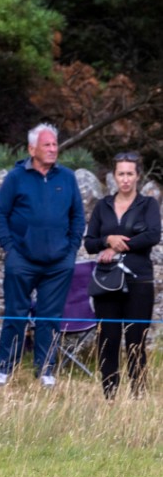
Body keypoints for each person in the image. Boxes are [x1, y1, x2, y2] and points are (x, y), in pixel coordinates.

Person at [0, 123, 84, 388]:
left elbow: (77, 216)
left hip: (58, 262)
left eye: (55, 144)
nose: (53, 149)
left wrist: (71, 249)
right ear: (32, 149)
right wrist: (10, 247)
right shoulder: (16, 177)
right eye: (47, 145)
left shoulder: (67, 178)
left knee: (49, 318)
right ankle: (5, 370)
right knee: (15, 315)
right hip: (22, 259)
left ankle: (45, 371)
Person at [83, 152, 160, 399]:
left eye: (129, 173)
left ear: (137, 176)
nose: (125, 179)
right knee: (109, 339)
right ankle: (110, 396)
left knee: (136, 339)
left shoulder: (148, 204)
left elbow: (152, 236)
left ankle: (137, 395)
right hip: (108, 281)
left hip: (139, 280)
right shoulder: (102, 206)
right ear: (113, 177)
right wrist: (107, 239)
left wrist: (117, 245)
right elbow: (90, 242)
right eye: (120, 174)